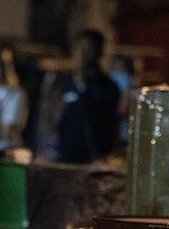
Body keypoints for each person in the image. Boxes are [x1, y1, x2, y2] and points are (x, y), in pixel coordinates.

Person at [37, 29, 120, 164]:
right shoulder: (63, 82)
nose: (83, 53)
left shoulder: (107, 87)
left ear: (99, 53)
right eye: (79, 48)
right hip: (62, 156)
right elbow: (48, 116)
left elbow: (108, 122)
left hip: (93, 160)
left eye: (88, 48)